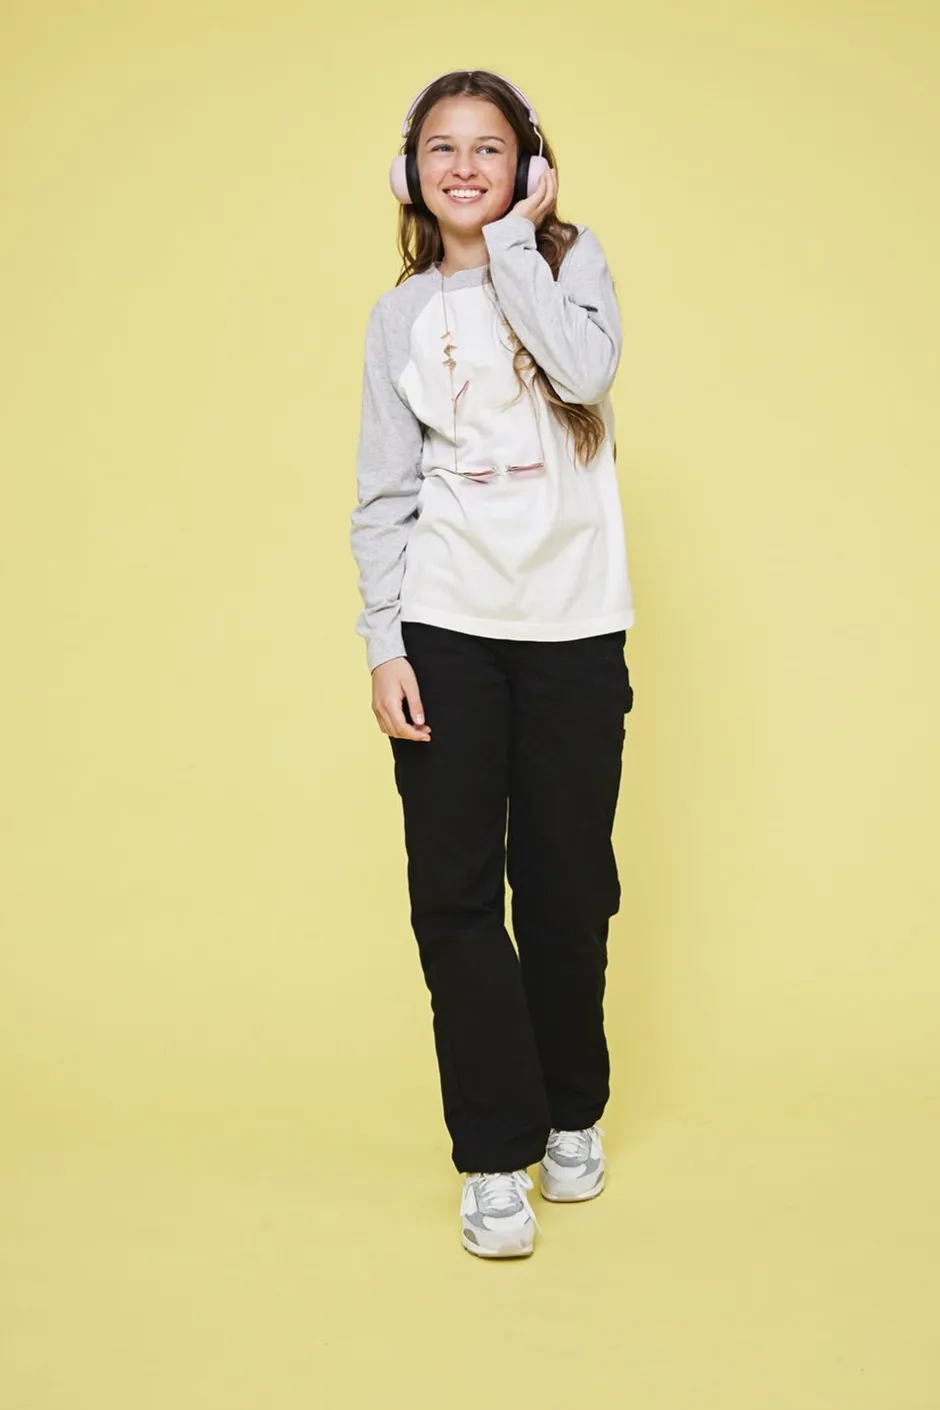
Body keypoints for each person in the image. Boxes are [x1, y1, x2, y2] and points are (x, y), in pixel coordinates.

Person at [348, 68, 635, 1259]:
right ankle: (491, 1156)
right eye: (440, 147)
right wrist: (385, 641)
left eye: (487, 147)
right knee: (454, 896)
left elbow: (583, 374)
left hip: (574, 626)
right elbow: (383, 492)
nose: (463, 166)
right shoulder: (400, 317)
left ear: (527, 167)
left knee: (568, 889)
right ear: (409, 172)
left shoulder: (569, 266)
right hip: (448, 624)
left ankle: (569, 1110)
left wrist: (514, 243)